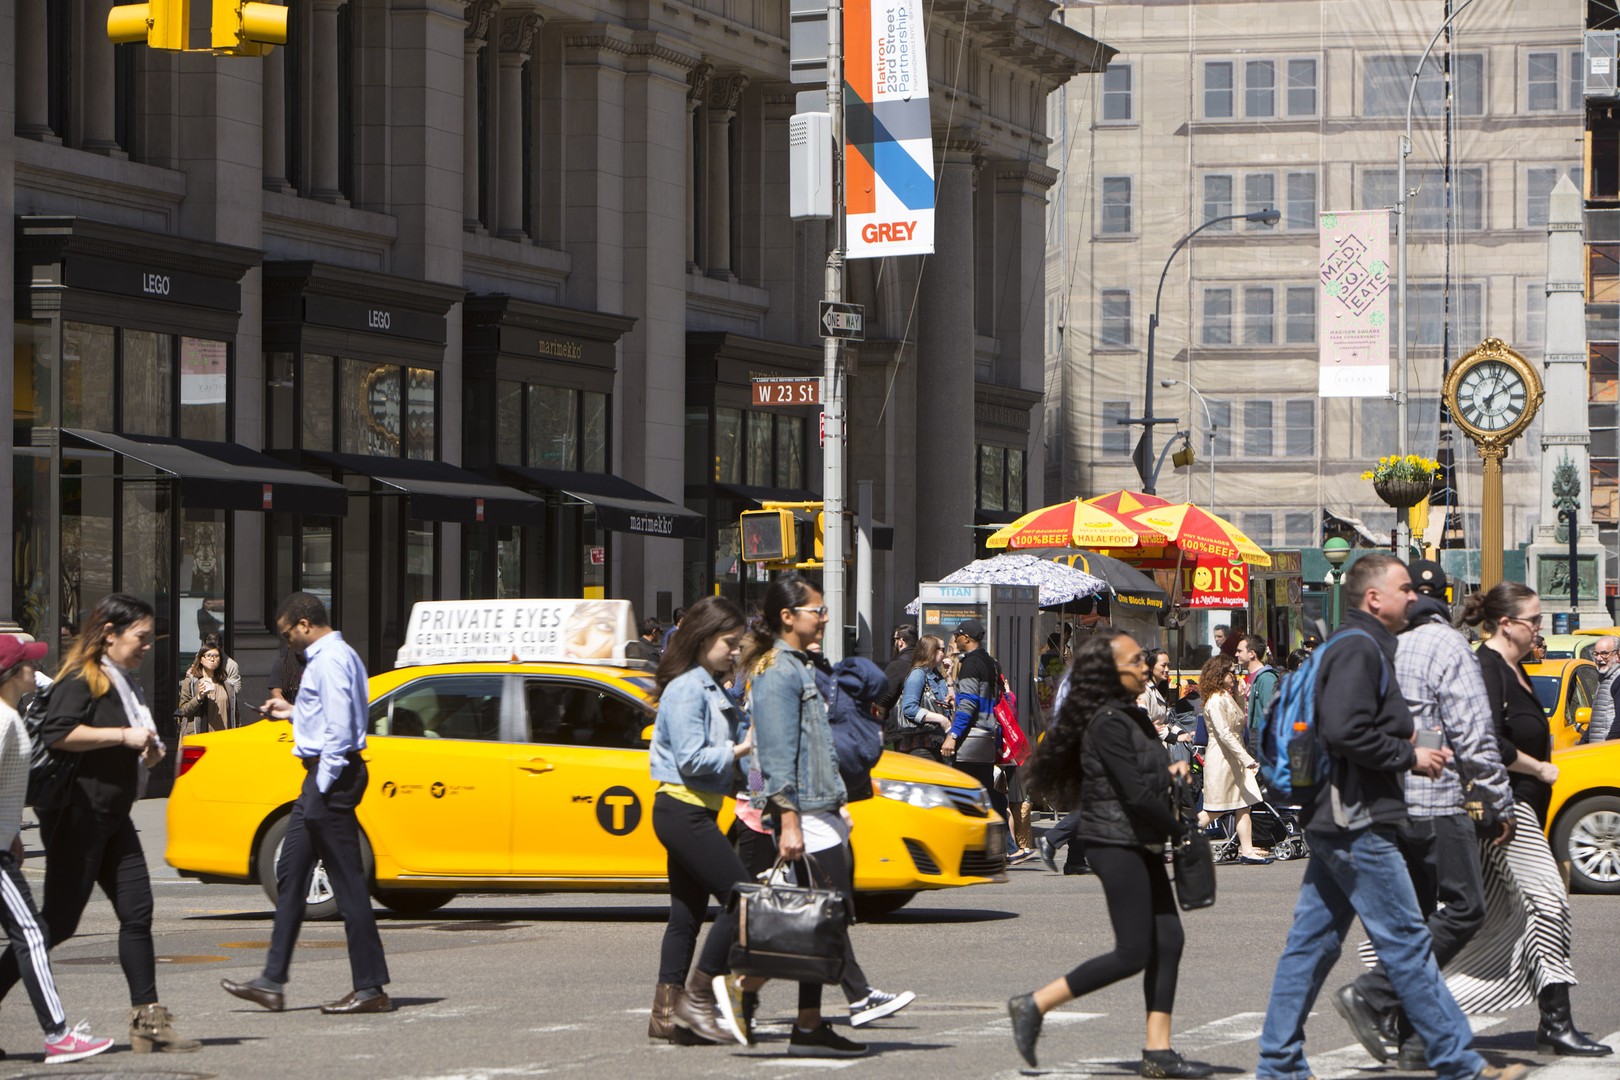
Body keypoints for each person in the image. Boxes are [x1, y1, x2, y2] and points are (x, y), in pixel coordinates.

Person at [1255, 554, 1510, 1080]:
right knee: (1408, 944)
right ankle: (1458, 1061)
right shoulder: (1361, 649)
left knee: (1313, 944)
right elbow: (1345, 730)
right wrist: (1408, 755)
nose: (1413, 597)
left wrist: (1404, 738)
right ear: (1375, 598)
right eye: (1403, 589)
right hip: (1358, 816)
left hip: (1334, 813)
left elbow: (1349, 725)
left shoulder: (1347, 646)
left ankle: (1278, 1064)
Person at [0, 594, 199, 1053]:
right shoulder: (80, 677)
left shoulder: (123, 679)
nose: (148, 645)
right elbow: (58, 732)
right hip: (77, 817)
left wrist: (146, 750)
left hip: (113, 817)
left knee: (138, 913)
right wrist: (122, 735)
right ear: (110, 634)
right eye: (141, 637)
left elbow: (126, 739)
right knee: (57, 924)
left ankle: (149, 1024)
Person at [1008, 631, 1212, 1079]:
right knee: (1134, 950)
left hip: (1136, 838)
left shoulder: (1130, 717)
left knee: (1169, 941)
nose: (1145, 666)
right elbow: (1135, 793)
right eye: (1136, 660)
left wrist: (1172, 769)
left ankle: (1157, 1053)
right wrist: (1182, 827)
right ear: (1110, 671)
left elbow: (1144, 775)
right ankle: (1034, 1005)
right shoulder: (1107, 722)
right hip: (1113, 842)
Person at [1339, 559, 1516, 1069]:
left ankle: (1417, 1040)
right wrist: (1496, 798)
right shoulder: (1447, 644)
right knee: (1464, 909)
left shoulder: (1383, 643)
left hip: (1388, 799)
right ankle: (1375, 993)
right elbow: (1474, 732)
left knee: (1415, 924)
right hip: (1437, 799)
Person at [222, 592, 391, 1016]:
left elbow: (340, 729)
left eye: (287, 634)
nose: (287, 644)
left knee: (348, 883)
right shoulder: (339, 655)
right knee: (289, 872)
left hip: (329, 777)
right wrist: (291, 711)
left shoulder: (330, 659)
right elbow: (331, 713)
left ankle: (370, 988)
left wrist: (324, 785)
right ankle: (271, 982)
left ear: (303, 623)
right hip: (322, 778)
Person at [1465, 582, 1610, 1056]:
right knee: (1549, 904)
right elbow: (1486, 740)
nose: (1539, 628)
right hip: (1508, 807)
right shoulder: (1487, 668)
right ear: (1506, 624)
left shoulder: (1516, 669)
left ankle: (1400, 1006)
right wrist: (1539, 767)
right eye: (1534, 620)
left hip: (1522, 806)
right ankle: (1556, 1021)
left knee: (1492, 921)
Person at [743, 573, 866, 1057]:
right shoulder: (777, 670)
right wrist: (788, 819)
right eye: (817, 610)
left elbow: (816, 750)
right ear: (787, 617)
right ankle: (750, 991)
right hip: (804, 814)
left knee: (818, 918)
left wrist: (838, 805)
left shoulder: (799, 664)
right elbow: (774, 755)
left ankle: (807, 1023)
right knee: (824, 917)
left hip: (822, 808)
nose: (825, 617)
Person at [643, 596, 753, 1046]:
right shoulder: (690, 687)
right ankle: (698, 997)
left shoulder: (707, 684)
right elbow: (693, 759)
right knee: (744, 899)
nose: (735, 651)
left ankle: (665, 1015)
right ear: (705, 638)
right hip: (682, 809)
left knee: (685, 916)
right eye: (729, 643)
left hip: (692, 807)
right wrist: (741, 751)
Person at [0, 634, 114, 1064]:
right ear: (12, 675)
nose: (35, 667)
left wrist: (11, 833)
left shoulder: (11, 713)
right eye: (28, 663)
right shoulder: (4, 720)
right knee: (32, 933)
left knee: (30, 933)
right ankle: (58, 1035)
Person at [1197, 655, 1271, 864]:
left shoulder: (1225, 696)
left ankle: (1247, 850)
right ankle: (1182, 839)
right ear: (1220, 675)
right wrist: (1246, 758)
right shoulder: (1215, 700)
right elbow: (1224, 733)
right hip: (1222, 759)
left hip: (1233, 757)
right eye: (1231, 672)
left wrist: (1238, 694)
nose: (1235, 675)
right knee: (1214, 809)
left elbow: (1239, 721)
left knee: (1244, 803)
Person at [941, 619, 1005, 825]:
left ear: (966, 638)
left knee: (966, 796)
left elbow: (968, 705)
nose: (955, 639)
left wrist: (953, 735)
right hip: (987, 736)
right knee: (985, 792)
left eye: (958, 635)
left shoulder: (970, 665)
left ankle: (1002, 843)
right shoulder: (990, 662)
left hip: (971, 739)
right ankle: (1007, 844)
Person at [177, 641, 236, 734]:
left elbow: (235, 714)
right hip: (201, 738)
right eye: (208, 655)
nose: (213, 659)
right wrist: (198, 698)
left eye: (216, 656)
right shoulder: (191, 682)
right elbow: (183, 711)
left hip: (223, 738)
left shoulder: (227, 684)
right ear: (201, 659)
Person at [1235, 635, 1279, 760]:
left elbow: (1271, 713)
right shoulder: (1252, 677)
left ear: (1252, 654)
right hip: (1252, 738)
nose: (1236, 654)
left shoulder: (1266, 679)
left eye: (1239, 651)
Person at [1580, 635, 1618, 742]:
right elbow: (1595, 722)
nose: (1599, 658)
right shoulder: (1604, 678)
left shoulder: (1618, 679)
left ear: (1617, 655)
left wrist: (1606, 747)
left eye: (1605, 654)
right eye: (1596, 654)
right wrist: (1582, 744)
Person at [874, 624, 918, 719]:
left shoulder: (896, 666)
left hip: (898, 727)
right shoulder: (924, 662)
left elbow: (883, 699)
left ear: (901, 641)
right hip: (926, 724)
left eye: (895, 640)